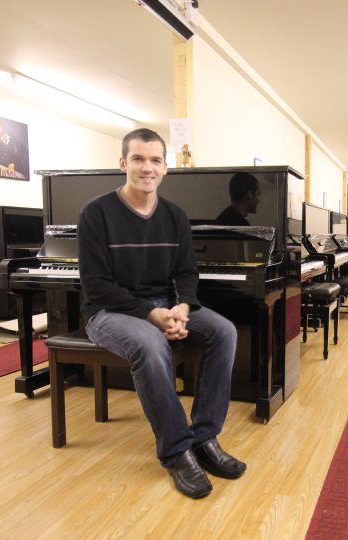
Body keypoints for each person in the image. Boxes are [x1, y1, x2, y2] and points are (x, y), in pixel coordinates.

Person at [78, 128, 246, 499]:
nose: (146, 167)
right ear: (123, 163)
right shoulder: (96, 213)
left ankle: (205, 438)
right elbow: (97, 286)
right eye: (138, 158)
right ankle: (176, 451)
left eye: (155, 160)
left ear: (165, 168)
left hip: (163, 304)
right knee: (150, 344)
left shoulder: (174, 215)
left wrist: (183, 306)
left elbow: (186, 272)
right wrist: (152, 315)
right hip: (108, 312)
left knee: (224, 331)